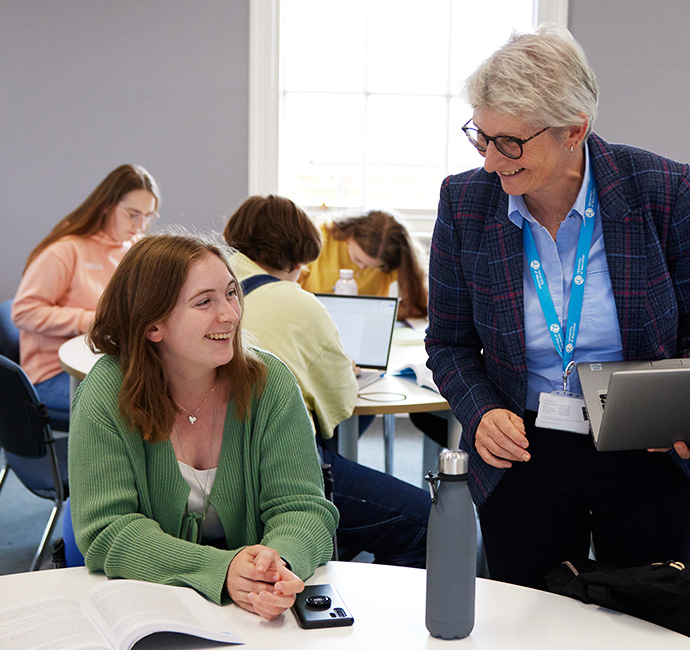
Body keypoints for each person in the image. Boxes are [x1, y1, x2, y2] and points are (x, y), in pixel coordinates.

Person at [425, 24, 690, 590]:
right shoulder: (465, 202)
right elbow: (449, 343)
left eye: (510, 143)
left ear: (575, 130)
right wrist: (481, 410)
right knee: (527, 615)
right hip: (523, 444)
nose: (491, 162)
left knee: (649, 613)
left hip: (646, 442)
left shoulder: (662, 189)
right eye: (482, 137)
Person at [68, 234, 338, 620]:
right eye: (204, 301)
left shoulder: (270, 382)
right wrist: (221, 570)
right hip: (148, 607)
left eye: (231, 293)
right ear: (152, 326)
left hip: (254, 612)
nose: (230, 314)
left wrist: (276, 567)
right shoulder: (106, 394)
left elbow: (303, 509)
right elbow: (108, 530)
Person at [223, 195, 429, 568]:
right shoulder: (298, 302)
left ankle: (339, 544)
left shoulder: (206, 283)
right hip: (273, 469)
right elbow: (340, 404)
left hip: (206, 465)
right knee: (425, 521)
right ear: (300, 261)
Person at [11, 164, 160, 420]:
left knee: (169, 391)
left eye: (148, 216)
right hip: (56, 372)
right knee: (139, 406)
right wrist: (94, 321)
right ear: (106, 207)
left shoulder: (132, 249)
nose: (141, 225)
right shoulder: (66, 251)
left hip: (108, 360)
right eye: (133, 214)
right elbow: (24, 312)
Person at [298, 210, 428, 321]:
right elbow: (289, 289)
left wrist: (382, 312)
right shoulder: (321, 238)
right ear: (350, 235)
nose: (361, 268)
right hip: (313, 320)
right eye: (357, 259)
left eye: (374, 267)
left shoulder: (393, 258)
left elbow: (416, 305)